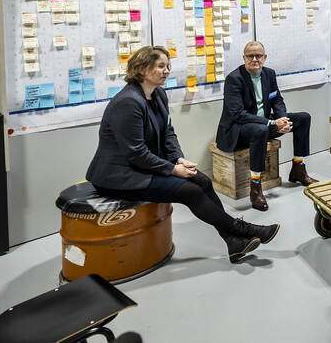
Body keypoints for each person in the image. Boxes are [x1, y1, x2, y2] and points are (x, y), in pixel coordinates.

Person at [86, 46, 279, 264]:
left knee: (203, 181)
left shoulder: (157, 94)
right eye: (161, 66)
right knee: (190, 192)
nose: (167, 71)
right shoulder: (128, 102)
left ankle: (234, 242)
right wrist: (172, 169)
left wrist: (178, 158)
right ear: (141, 69)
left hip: (145, 166)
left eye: (168, 66)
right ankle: (242, 229)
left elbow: (168, 133)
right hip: (119, 176)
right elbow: (136, 153)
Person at [215, 41, 317, 212]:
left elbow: (276, 99)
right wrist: (272, 123)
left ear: (265, 57)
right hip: (239, 128)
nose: (255, 59)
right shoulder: (234, 79)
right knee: (260, 130)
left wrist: (282, 118)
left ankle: (298, 168)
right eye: (250, 56)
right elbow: (237, 114)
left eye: (259, 56)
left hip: (264, 122)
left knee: (303, 118)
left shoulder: (269, 74)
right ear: (244, 58)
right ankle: (255, 187)